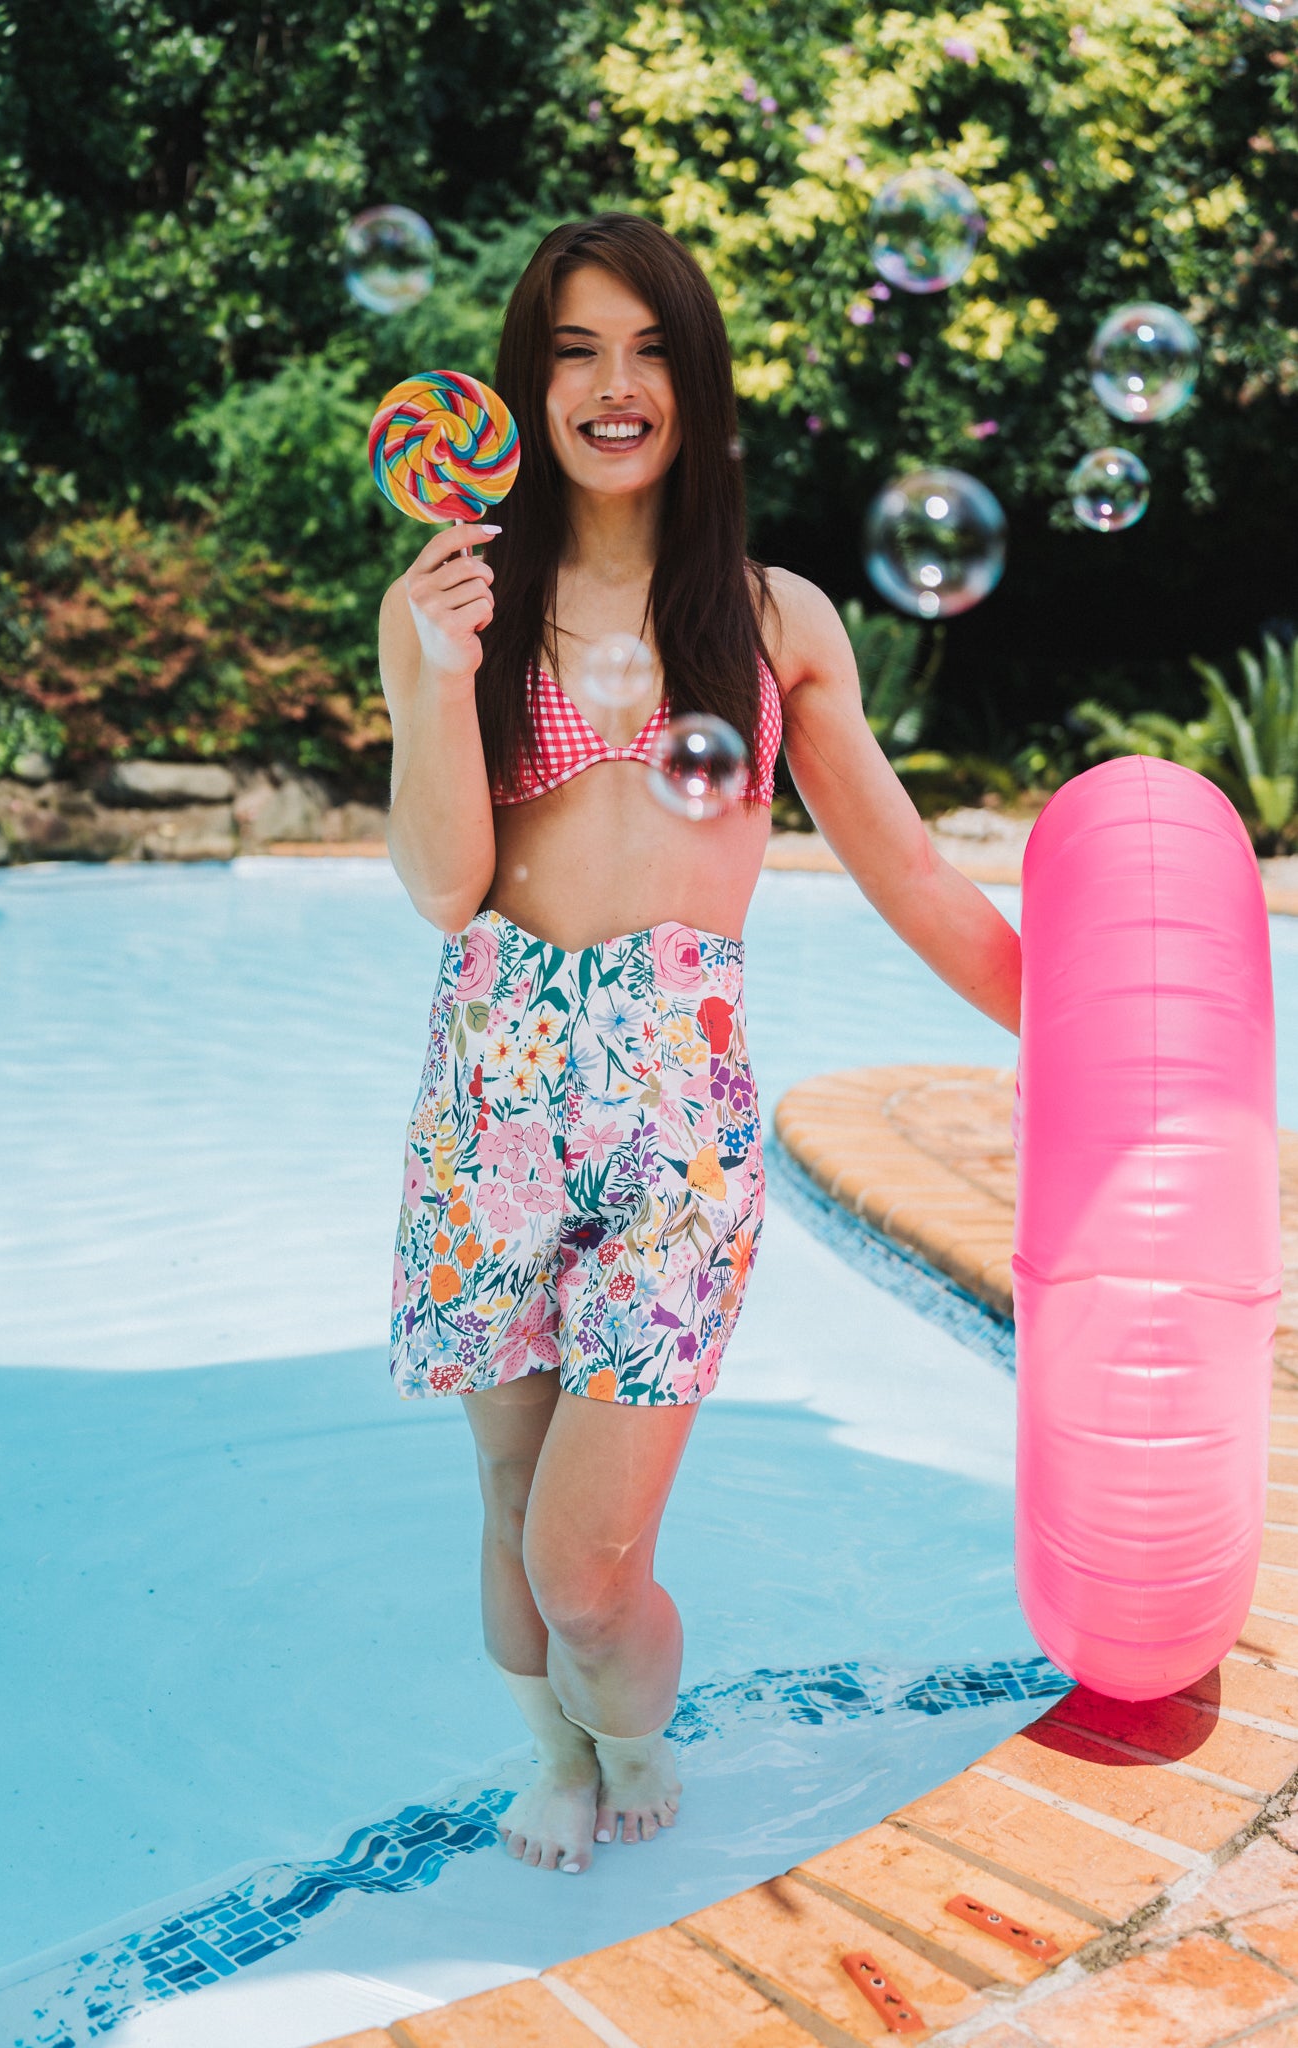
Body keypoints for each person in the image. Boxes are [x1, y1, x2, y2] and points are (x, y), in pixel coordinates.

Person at [379, 213, 1021, 1877]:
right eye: (576, 350)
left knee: (586, 1569)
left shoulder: (771, 618)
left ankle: (631, 1730)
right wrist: (437, 672)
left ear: (697, 379)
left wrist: (1075, 1025)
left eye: (650, 348)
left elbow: (909, 874)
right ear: (524, 385)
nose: (614, 384)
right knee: (507, 1504)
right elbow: (443, 887)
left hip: (672, 1123)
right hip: (489, 1104)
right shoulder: (453, 604)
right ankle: (554, 1753)